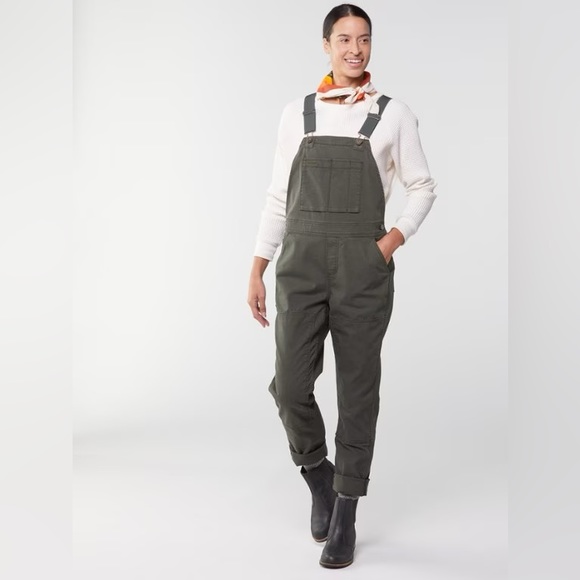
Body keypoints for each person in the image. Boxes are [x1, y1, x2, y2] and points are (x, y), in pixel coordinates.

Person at [247, 3, 437, 569]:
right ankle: (318, 476)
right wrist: (258, 265)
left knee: (357, 390)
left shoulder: (393, 114)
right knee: (289, 386)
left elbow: (422, 187)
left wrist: (389, 242)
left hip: (362, 267)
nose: (356, 49)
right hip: (300, 264)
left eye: (364, 39)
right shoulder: (297, 113)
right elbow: (279, 197)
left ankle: (347, 508)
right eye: (345, 39)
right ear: (326, 45)